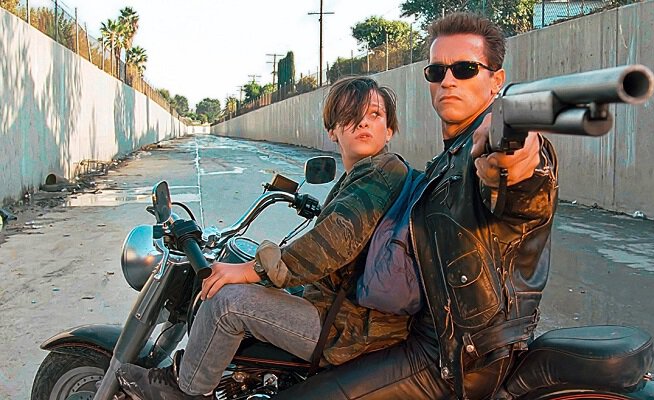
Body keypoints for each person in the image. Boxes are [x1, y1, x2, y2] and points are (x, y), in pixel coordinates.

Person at [275, 12, 558, 400]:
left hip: (459, 355)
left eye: (465, 69)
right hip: (429, 335)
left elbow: (522, 192)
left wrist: (512, 162)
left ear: (496, 80)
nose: (448, 80)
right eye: (437, 71)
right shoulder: (446, 162)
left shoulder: (486, 148)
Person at [115, 76, 412, 399]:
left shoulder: (381, 172)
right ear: (333, 131)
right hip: (345, 310)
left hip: (351, 327)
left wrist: (251, 271)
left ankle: (185, 391)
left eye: (374, 115)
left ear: (389, 130)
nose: (363, 123)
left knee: (226, 302)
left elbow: (334, 241)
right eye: (350, 116)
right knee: (251, 286)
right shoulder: (367, 173)